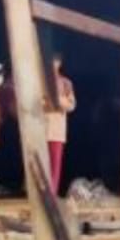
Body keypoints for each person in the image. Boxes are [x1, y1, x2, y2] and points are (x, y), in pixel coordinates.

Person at [46, 52, 77, 195]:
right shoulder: (40, 79)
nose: (52, 64)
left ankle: (52, 193)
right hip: (40, 127)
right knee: (39, 162)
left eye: (55, 61)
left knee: (54, 164)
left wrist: (58, 101)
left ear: (59, 63)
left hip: (56, 128)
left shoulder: (65, 83)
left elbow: (72, 105)